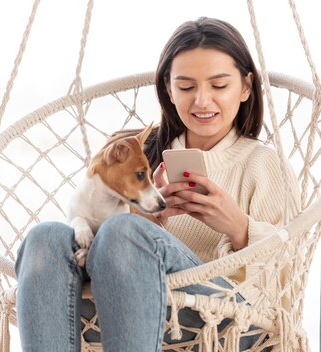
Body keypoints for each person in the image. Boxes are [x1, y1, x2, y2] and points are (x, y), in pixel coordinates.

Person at [15, 17, 301, 351]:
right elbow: (91, 245)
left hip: (224, 323)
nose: (202, 101)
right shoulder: (136, 156)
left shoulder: (263, 164)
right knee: (44, 237)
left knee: (124, 232)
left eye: (219, 86)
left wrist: (238, 227)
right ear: (168, 88)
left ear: (246, 87)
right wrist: (150, 222)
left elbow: (288, 277)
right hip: (115, 316)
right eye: (186, 87)